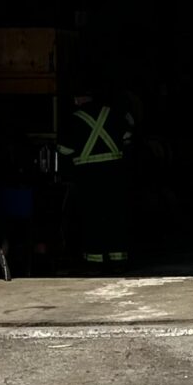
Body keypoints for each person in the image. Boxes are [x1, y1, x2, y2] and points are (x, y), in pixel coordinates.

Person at [57, 92, 134, 269]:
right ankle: (118, 259)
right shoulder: (113, 113)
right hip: (115, 175)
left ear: (77, 98)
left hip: (88, 178)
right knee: (115, 215)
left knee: (92, 217)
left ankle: (95, 261)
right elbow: (128, 137)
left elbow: (64, 149)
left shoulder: (73, 119)